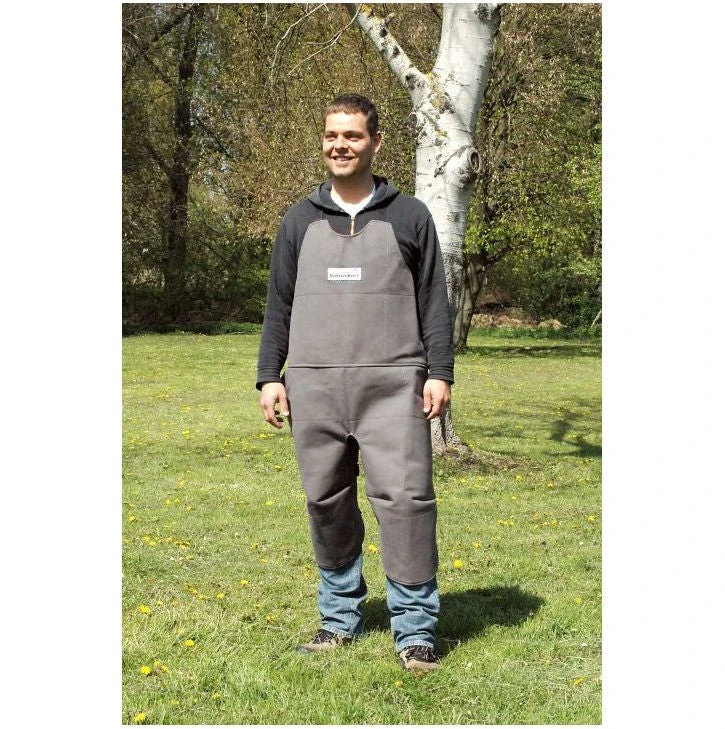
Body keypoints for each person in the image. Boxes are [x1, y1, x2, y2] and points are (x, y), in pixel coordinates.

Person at [256, 94, 453, 672]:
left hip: (394, 383)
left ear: (375, 142)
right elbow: (279, 304)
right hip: (314, 385)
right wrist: (269, 376)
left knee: (406, 500)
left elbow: (434, 302)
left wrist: (440, 372)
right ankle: (339, 618)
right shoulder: (299, 220)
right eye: (331, 135)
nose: (340, 145)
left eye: (352, 135)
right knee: (326, 501)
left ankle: (415, 629)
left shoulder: (409, 216)